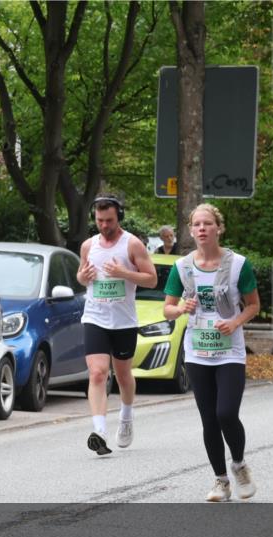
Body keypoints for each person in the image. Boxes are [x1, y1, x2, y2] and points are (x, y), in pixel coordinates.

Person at [162, 204, 259, 502]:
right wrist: (180, 309)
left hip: (230, 351)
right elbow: (167, 309)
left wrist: (235, 322)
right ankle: (221, 481)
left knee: (226, 413)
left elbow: (254, 305)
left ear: (219, 228)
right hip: (197, 351)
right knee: (209, 419)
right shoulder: (182, 267)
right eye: (197, 224)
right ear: (191, 231)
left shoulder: (239, 264)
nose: (202, 229)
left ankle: (239, 465)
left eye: (208, 223)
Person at [76, 195, 157, 455]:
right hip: (95, 317)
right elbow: (81, 275)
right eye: (99, 220)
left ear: (118, 217)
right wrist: (82, 276)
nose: (104, 225)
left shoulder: (132, 244)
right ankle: (99, 430)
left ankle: (126, 417)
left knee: (123, 375)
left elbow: (152, 279)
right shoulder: (89, 245)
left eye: (109, 220)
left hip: (123, 321)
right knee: (98, 372)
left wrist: (124, 273)